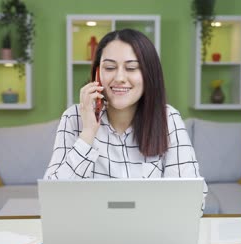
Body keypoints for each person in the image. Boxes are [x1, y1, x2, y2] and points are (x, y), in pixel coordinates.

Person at [44, 28, 207, 210]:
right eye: (110, 68)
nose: (120, 78)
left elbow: (193, 202)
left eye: (131, 68)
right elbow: (53, 204)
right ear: (98, 74)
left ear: (148, 75)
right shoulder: (73, 118)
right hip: (91, 236)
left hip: (149, 236)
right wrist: (88, 133)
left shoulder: (168, 119)